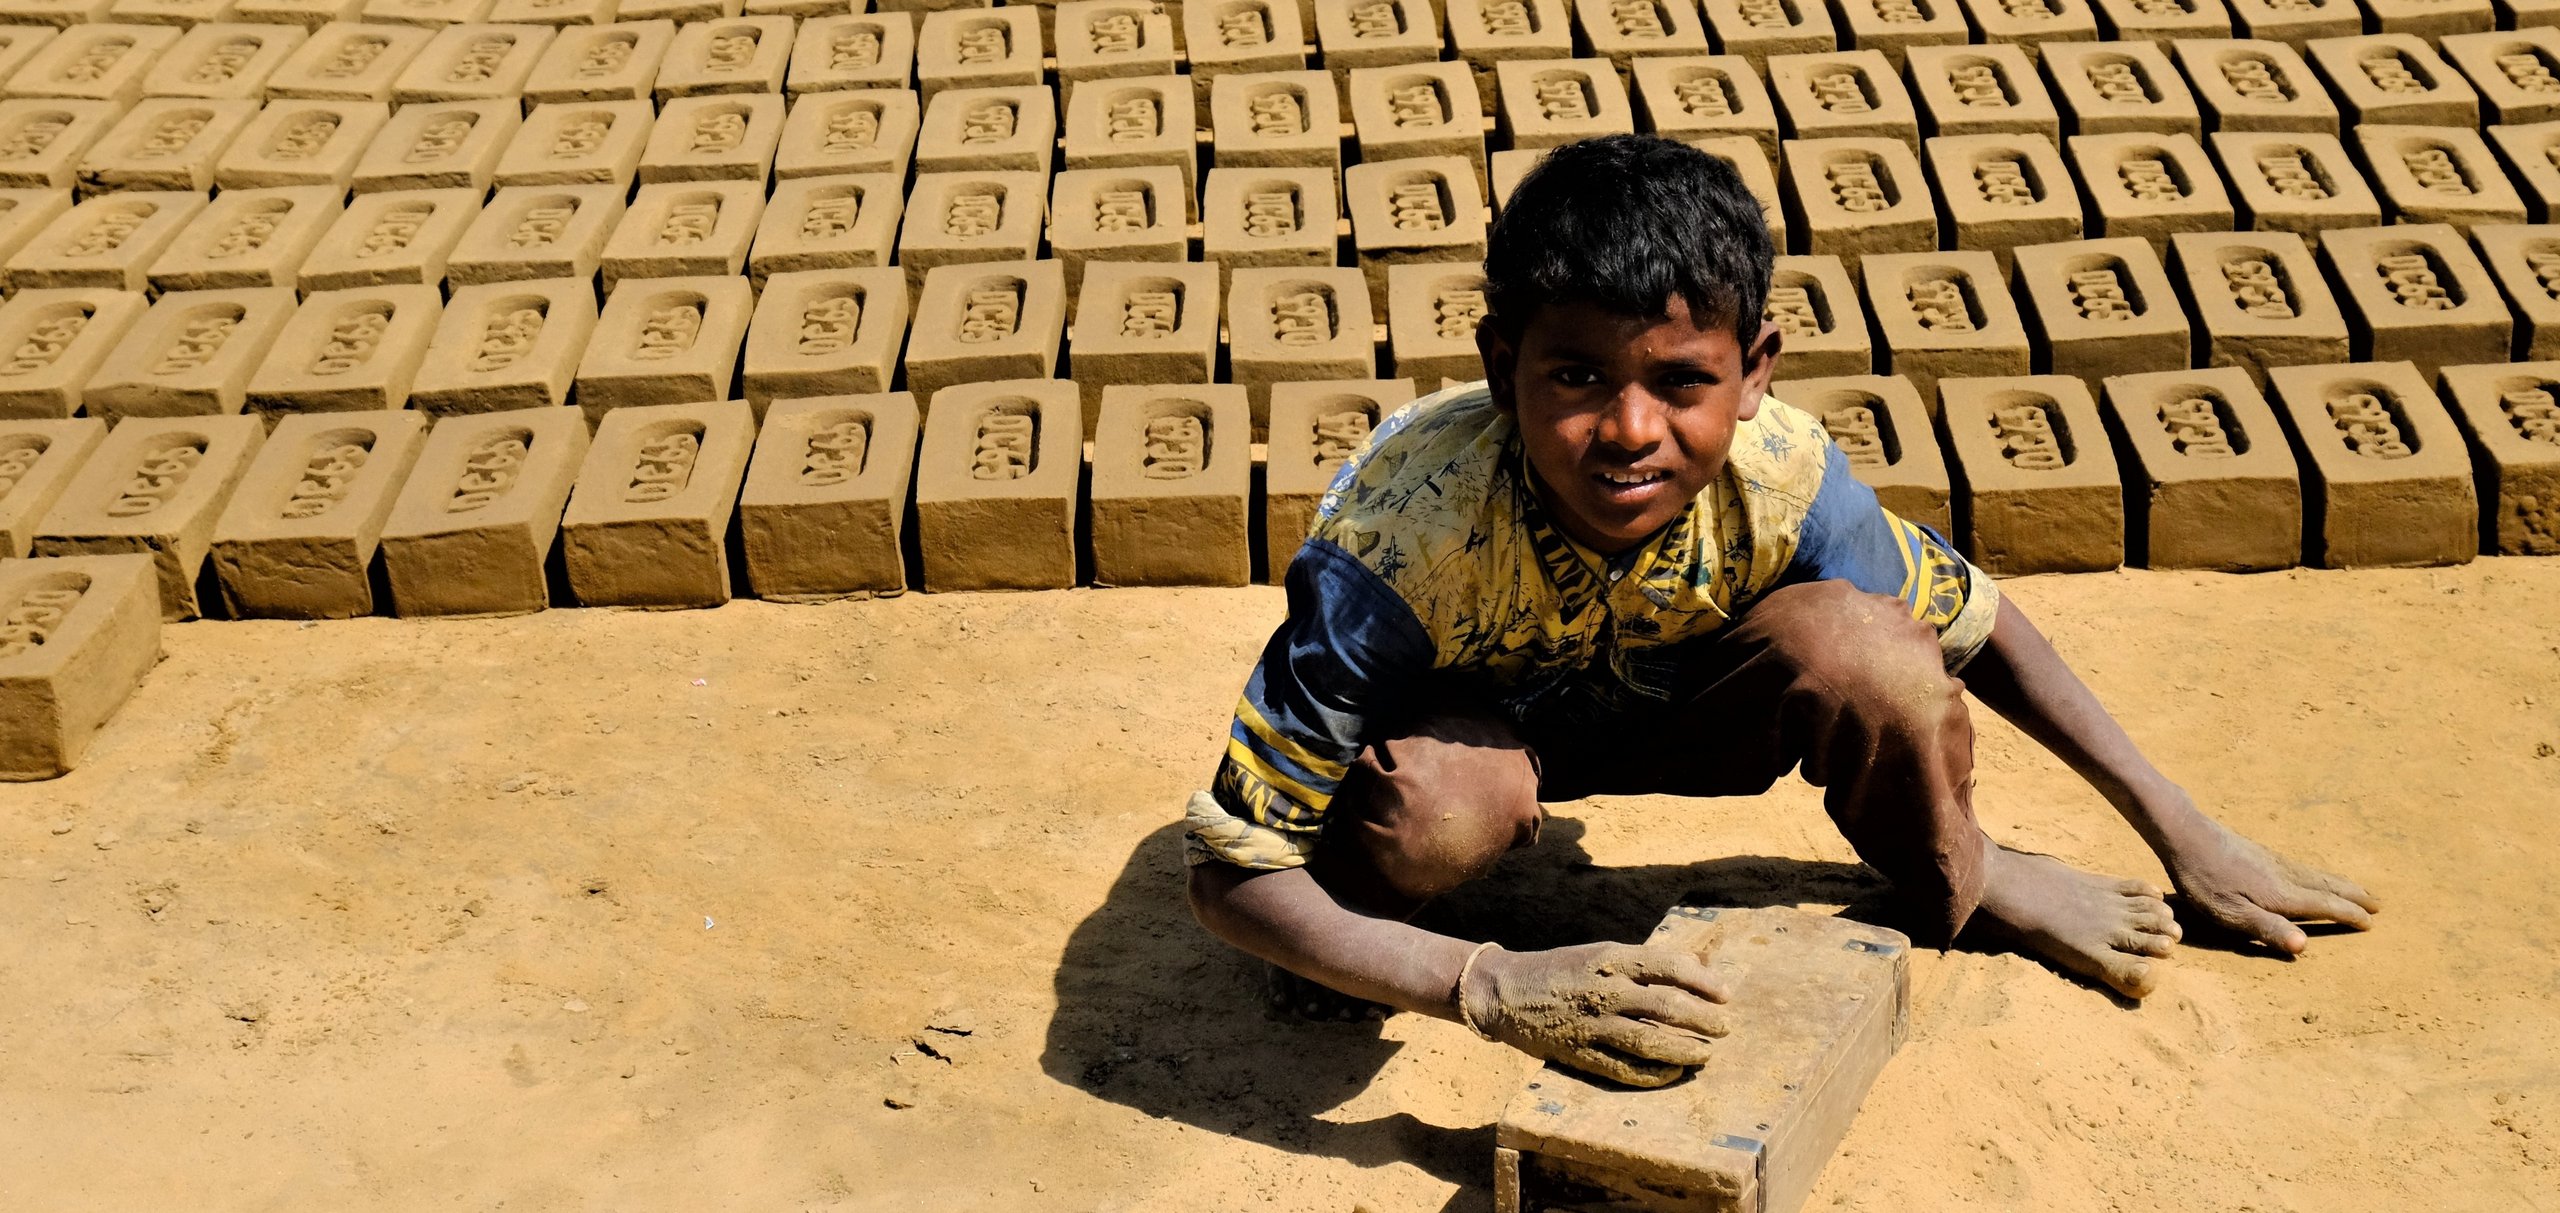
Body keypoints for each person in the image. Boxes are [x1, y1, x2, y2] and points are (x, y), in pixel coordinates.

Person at [1180, 134, 2379, 1087]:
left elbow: (1980, 627)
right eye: (1576, 376)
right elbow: (1226, 871)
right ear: (1502, 367)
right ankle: (1365, 944)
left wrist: (2182, 831)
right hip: (1472, 740)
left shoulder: (1786, 479)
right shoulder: (1400, 543)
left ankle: (1963, 870)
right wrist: (1483, 982)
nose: (1630, 431)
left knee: (1872, 650)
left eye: (1682, 380)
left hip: (1666, 705)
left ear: (1756, 369)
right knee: (1443, 813)